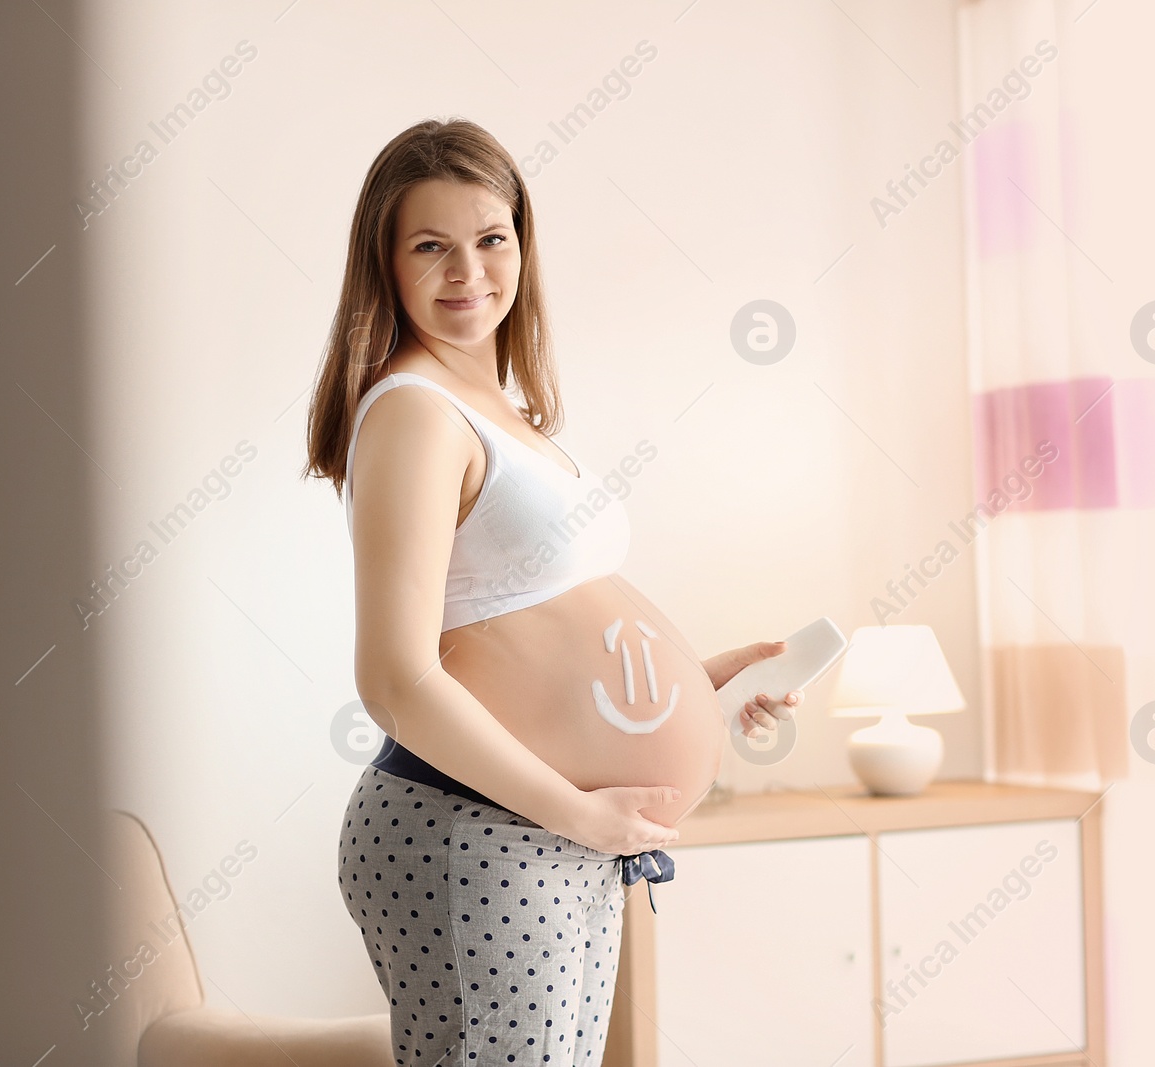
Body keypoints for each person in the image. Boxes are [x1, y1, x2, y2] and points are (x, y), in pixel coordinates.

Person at [305, 117, 800, 1067]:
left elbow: (514, 638)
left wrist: (692, 690)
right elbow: (396, 679)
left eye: (491, 238)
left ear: (524, 245)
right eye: (430, 246)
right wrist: (580, 813)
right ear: (385, 262)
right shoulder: (414, 412)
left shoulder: (506, 411)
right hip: (476, 827)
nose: (468, 271)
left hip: (548, 830)